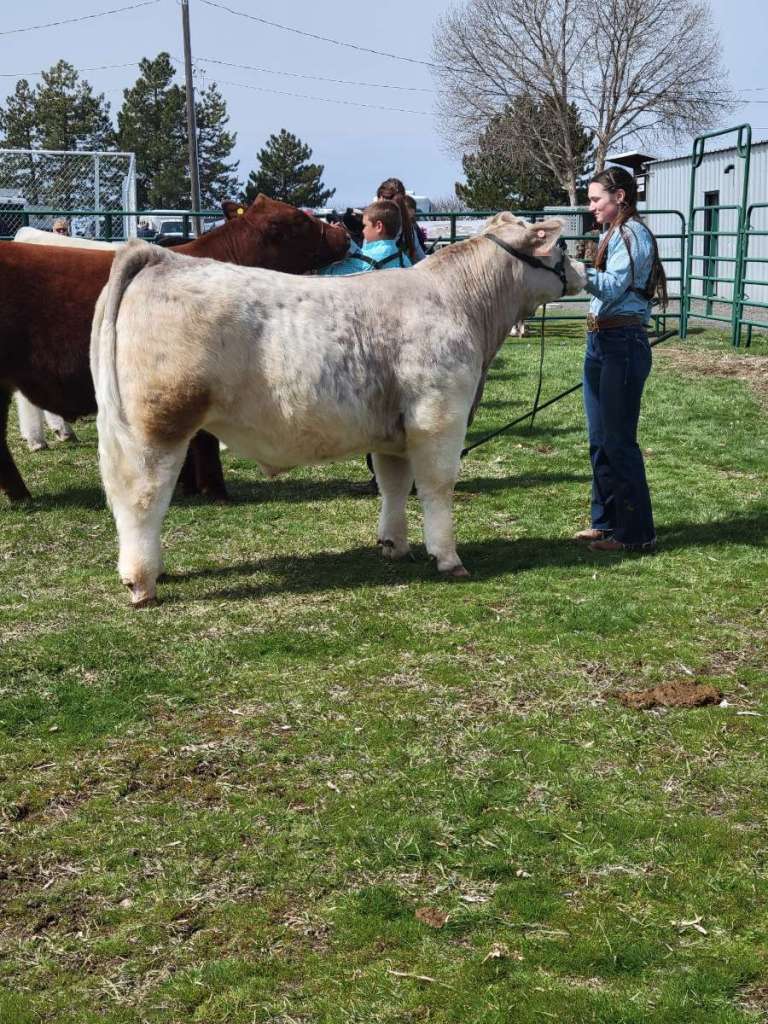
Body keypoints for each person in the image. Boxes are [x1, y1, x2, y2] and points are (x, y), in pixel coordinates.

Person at [575, 166, 667, 553]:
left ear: (619, 197)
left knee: (618, 440)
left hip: (621, 342)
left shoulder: (632, 234)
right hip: (602, 340)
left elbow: (613, 287)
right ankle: (606, 522)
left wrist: (574, 271)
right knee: (600, 438)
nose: (591, 206)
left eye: (596, 199)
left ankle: (636, 534)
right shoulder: (613, 233)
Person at [317, 199, 412, 276]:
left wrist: (331, 239)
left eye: (365, 226)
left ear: (379, 226)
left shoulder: (362, 264)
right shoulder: (404, 260)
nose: (363, 231)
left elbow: (324, 275)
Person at [375, 177, 426, 263]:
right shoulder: (408, 227)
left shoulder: (374, 226)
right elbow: (421, 257)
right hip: (404, 268)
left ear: (381, 198)